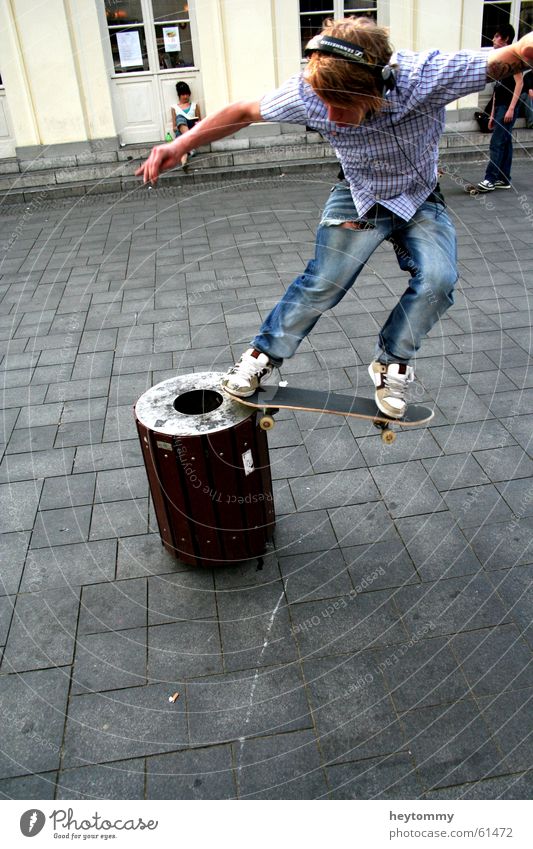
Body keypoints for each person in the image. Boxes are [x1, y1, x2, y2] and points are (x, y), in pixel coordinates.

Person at [137, 18, 533, 418]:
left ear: (377, 87)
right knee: (325, 282)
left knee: (439, 279)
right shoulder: (306, 92)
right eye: (324, 104)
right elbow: (242, 111)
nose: (330, 116)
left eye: (342, 106)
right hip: (357, 195)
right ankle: (262, 355)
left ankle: (391, 362)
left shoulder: (427, 77)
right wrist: (183, 142)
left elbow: (513, 55)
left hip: (419, 197)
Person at [477, 25, 523, 191]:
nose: (493, 39)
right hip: (501, 106)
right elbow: (497, 88)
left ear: (506, 39)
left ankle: (490, 178)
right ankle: (504, 178)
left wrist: (511, 108)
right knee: (505, 141)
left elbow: (519, 83)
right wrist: (491, 114)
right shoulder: (498, 57)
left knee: (497, 142)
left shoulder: (512, 56)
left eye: (497, 36)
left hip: (508, 106)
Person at [171, 81, 201, 170]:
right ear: (179, 95)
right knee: (180, 119)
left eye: (187, 94)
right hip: (181, 131)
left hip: (192, 130)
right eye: (183, 95)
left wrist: (196, 124)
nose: (185, 97)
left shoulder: (195, 106)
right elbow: (174, 127)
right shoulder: (174, 108)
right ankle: (184, 162)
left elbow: (199, 121)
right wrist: (180, 127)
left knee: (180, 119)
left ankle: (189, 149)